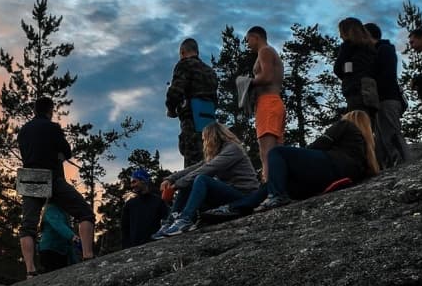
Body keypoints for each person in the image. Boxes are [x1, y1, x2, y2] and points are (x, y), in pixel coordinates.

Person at [204, 110, 380, 218]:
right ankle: (237, 208)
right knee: (277, 183)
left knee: (277, 152)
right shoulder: (365, 151)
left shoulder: (345, 125)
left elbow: (319, 145)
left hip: (330, 166)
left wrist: (297, 159)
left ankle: (275, 197)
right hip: (335, 178)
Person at [18, 97, 96, 278]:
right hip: (51, 175)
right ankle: (88, 256)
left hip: (29, 177)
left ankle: (30, 270)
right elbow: (67, 152)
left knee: (28, 226)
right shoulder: (52, 128)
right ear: (50, 110)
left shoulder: (23, 131)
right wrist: (57, 154)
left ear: (34, 111)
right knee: (85, 213)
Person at [152, 122, 259, 237]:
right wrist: (171, 179)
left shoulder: (232, 149)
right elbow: (195, 168)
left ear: (212, 137)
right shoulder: (217, 153)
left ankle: (185, 219)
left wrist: (176, 185)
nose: (204, 143)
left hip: (245, 196)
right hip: (230, 194)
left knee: (201, 179)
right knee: (188, 183)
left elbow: (207, 169)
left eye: (204, 139)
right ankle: (170, 222)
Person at [166, 38, 220, 167]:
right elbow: (215, 99)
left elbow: (176, 91)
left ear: (182, 52)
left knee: (193, 163)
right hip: (209, 120)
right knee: (210, 159)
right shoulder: (210, 71)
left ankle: (193, 187)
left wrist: (171, 109)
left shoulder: (184, 65)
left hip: (191, 120)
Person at [364, 22, 409, 168]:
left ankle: (405, 166)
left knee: (391, 133)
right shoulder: (379, 51)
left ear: (367, 35)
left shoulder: (385, 50)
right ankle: (390, 166)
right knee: (382, 137)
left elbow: (387, 76)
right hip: (380, 101)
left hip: (387, 99)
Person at [245, 26, 285, 181]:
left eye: (248, 40)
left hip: (268, 103)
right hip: (273, 102)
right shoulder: (270, 51)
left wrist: (247, 82)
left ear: (256, 37)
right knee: (276, 150)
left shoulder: (265, 51)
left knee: (267, 151)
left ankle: (271, 189)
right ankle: (280, 186)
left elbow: (267, 77)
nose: (247, 44)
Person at [333, 17, 378, 113]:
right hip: (371, 90)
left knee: (357, 122)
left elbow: (337, 69)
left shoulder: (347, 47)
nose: (340, 36)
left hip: (354, 90)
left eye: (341, 32)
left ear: (346, 32)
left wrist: (347, 78)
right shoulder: (371, 48)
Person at [121, 168, 170, 247]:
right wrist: (125, 247)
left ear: (143, 181)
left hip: (155, 244)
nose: (132, 185)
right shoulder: (129, 204)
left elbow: (166, 222)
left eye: (134, 182)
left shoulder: (158, 202)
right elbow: (125, 229)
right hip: (134, 247)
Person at [38, 203, 79, 272]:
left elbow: (68, 241)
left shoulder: (64, 212)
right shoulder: (50, 209)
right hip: (49, 250)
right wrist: (72, 236)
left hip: (62, 252)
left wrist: (74, 260)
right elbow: (58, 225)